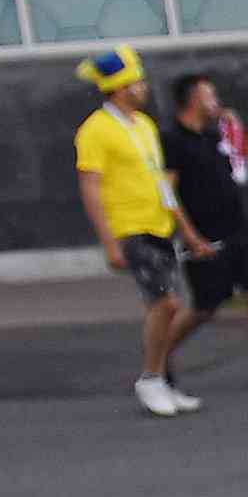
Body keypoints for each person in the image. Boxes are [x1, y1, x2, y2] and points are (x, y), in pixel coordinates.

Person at [74, 47, 204, 418]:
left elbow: (160, 181)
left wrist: (186, 230)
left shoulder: (144, 125)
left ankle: (165, 379)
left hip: (158, 224)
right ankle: (150, 378)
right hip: (129, 228)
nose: (144, 87)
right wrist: (108, 241)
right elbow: (90, 187)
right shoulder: (95, 130)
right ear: (119, 88)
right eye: (138, 82)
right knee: (167, 303)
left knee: (164, 307)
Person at [152, 72, 248, 394]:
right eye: (209, 95)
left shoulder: (215, 135)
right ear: (192, 100)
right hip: (204, 232)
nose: (216, 101)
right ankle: (158, 358)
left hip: (238, 227)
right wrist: (189, 235)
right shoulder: (173, 140)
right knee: (206, 305)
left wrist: (238, 132)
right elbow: (168, 192)